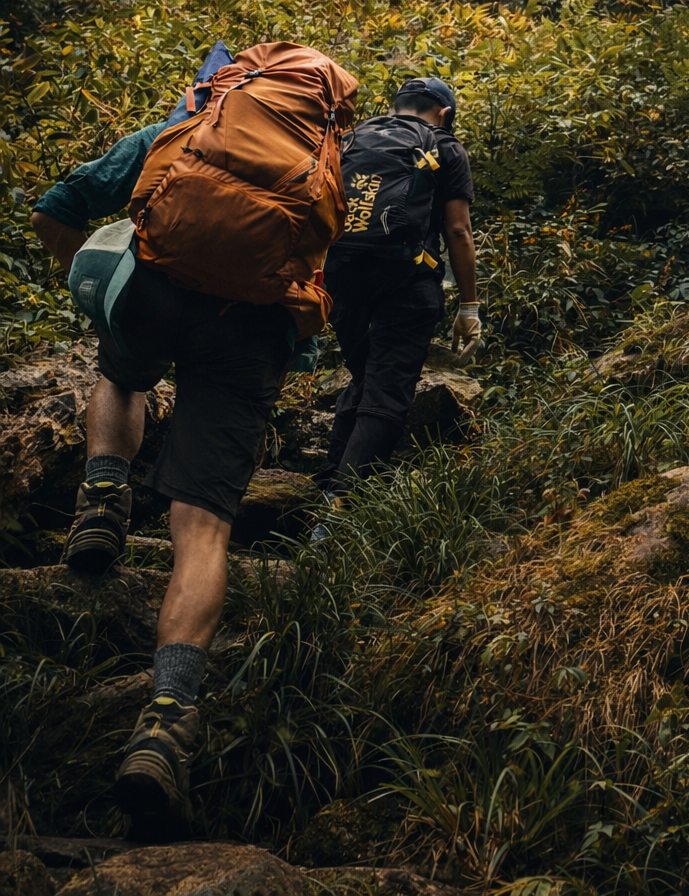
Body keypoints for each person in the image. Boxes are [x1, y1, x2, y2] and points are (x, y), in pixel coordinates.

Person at [30, 46, 357, 840]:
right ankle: (168, 718)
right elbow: (319, 276)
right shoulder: (329, 164)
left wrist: (92, 288)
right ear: (330, 108)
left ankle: (103, 497)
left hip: (153, 290)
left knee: (123, 376)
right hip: (249, 335)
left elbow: (56, 205)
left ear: (235, 80)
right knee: (203, 526)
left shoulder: (188, 126)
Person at [322, 77, 479, 486]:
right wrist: (469, 306)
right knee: (387, 390)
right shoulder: (444, 145)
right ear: (445, 115)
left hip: (341, 280)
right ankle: (340, 507)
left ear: (395, 106)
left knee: (365, 377)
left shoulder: (349, 138)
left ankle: (327, 483)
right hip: (407, 284)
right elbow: (458, 231)